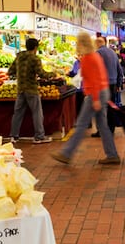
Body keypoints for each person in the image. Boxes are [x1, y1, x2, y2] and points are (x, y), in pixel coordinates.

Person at [51, 32, 119, 165]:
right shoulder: (94, 55)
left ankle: (66, 153)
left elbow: (92, 79)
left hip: (96, 93)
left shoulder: (88, 58)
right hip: (102, 91)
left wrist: (95, 99)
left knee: (81, 125)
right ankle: (112, 154)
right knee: (102, 125)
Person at [8, 38, 55, 144]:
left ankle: (14, 136)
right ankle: (39, 136)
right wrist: (52, 74)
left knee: (18, 113)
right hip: (31, 89)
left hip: (20, 89)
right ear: (35, 47)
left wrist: (21, 75)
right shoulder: (35, 58)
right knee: (37, 112)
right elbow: (42, 73)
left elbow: (10, 71)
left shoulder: (19, 56)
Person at [94, 36, 124, 137]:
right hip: (113, 84)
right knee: (111, 106)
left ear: (97, 44)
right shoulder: (113, 53)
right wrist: (119, 84)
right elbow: (120, 70)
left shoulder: (97, 53)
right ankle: (111, 130)